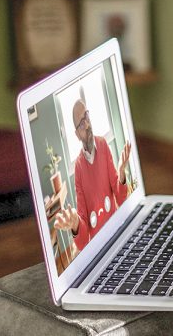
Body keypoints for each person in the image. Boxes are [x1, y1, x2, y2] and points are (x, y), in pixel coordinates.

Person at [53, 99, 132, 251]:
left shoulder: (103, 145)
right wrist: (76, 223)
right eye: (81, 123)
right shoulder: (78, 168)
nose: (87, 125)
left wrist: (121, 172)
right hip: (100, 247)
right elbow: (83, 241)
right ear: (76, 134)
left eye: (87, 117)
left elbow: (121, 197)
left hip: (118, 232)